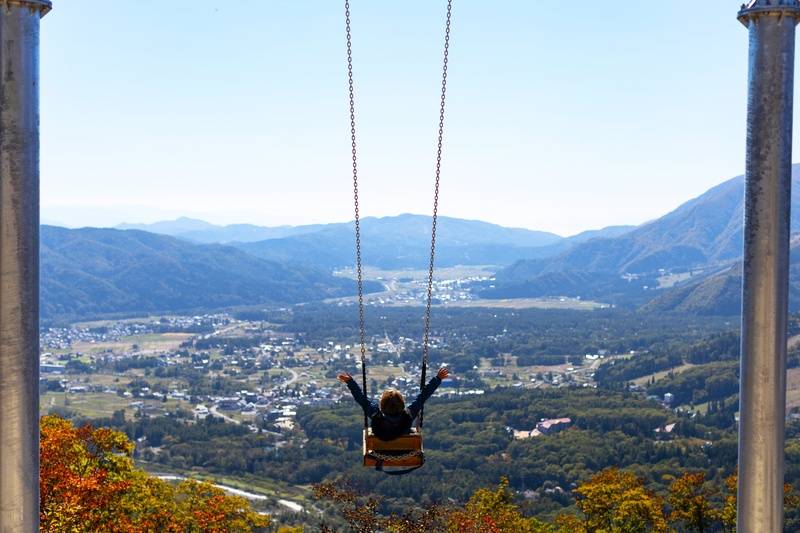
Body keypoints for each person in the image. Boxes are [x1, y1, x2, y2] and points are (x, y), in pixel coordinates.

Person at [337, 366, 450, 441]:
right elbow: (424, 395)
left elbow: (360, 398)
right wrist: (437, 379)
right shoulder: (409, 415)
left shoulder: (375, 414)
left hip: (380, 452)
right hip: (405, 451)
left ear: (382, 403)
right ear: (402, 402)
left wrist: (350, 382)